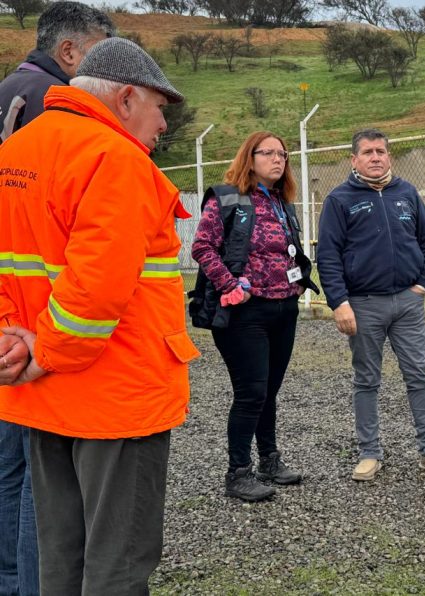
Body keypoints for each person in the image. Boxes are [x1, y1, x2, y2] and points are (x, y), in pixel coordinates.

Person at [0, 37, 199, 595]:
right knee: (118, 562)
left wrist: (12, 345)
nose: (163, 124)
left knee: (58, 555)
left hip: (42, 400)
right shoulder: (115, 159)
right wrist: (45, 354)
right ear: (128, 97)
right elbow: (97, 289)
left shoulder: (14, 153)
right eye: (161, 108)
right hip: (115, 398)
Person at [0, 4, 113, 594]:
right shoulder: (54, 103)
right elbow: (62, 232)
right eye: (100, 53)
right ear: (71, 52)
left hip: (9, 314)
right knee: (36, 477)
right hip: (35, 328)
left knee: (10, 469)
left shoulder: (9, 90)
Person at [317, 128, 425, 482]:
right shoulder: (339, 199)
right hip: (363, 306)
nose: (375, 157)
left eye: (381, 151)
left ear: (389, 156)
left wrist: (423, 284)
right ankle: (369, 453)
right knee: (366, 380)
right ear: (354, 159)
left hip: (407, 304)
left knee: (419, 374)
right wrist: (339, 303)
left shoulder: (406, 193)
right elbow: (328, 256)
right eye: (367, 152)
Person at [192, 131, 317, 502]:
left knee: (270, 391)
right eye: (269, 153)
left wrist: (298, 282)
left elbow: (287, 252)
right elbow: (202, 247)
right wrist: (230, 284)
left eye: (283, 154)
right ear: (250, 157)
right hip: (245, 313)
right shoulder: (227, 198)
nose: (278, 159)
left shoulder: (282, 202)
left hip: (284, 308)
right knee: (252, 392)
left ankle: (270, 461)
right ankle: (238, 473)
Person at [0, 1, 114, 143]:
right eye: (98, 54)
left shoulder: (10, 84)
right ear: (68, 52)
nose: (103, 66)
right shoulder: (55, 99)